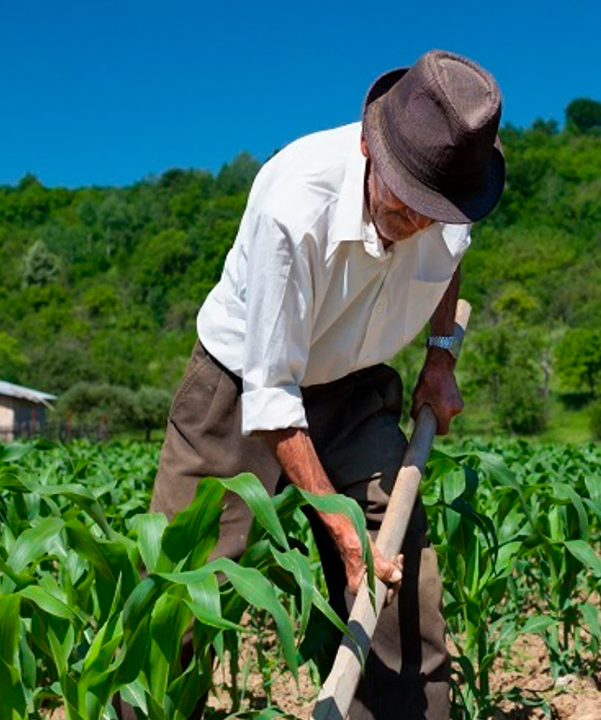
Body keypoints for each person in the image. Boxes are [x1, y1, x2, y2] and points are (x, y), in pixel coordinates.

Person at [136, 50, 505, 720]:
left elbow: (451, 258)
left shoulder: (453, 192)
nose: (420, 221)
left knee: (397, 572)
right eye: (408, 199)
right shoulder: (293, 204)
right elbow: (271, 396)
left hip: (356, 381)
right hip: (241, 384)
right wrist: (335, 522)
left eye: (435, 208)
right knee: (181, 589)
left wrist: (441, 356)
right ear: (369, 145)